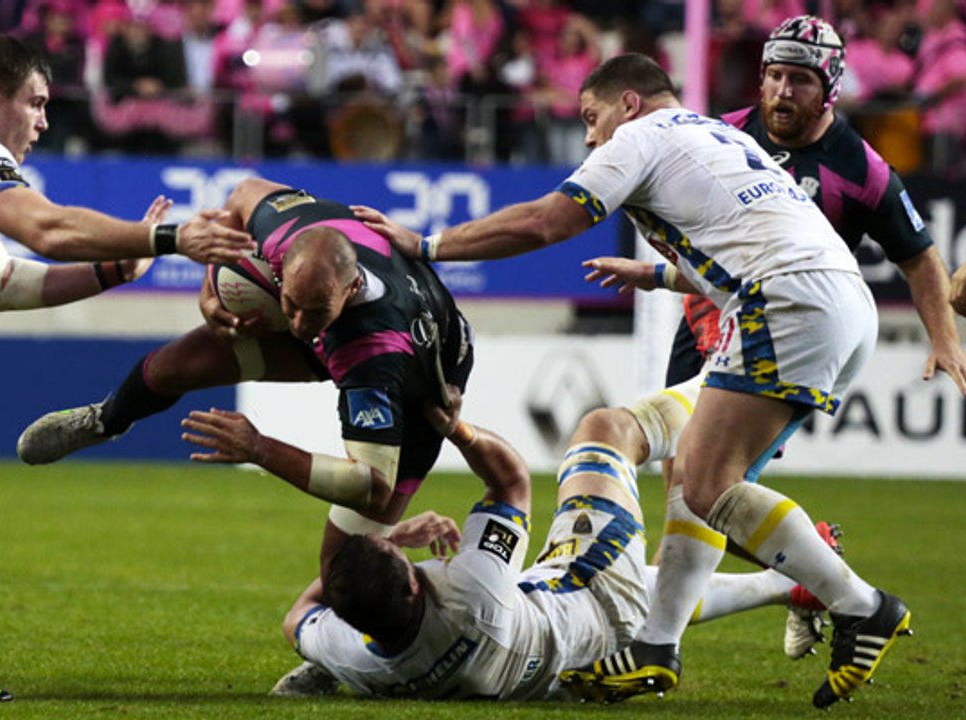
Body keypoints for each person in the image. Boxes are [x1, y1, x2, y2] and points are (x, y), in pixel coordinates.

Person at [354, 52, 911, 708]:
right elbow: (749, 238)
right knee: (696, 471)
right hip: (840, 302)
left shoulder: (641, 136)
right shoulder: (718, 134)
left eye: (591, 117)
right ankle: (656, 644)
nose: (590, 138)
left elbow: (547, 220)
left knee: (707, 484)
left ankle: (860, 604)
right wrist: (657, 275)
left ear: (629, 103)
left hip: (783, 302)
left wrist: (428, 244)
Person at [0, 34, 250, 702]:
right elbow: (47, 230)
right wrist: (170, 238)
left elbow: (1, 284)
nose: (44, 122)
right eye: (36, 103)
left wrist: (112, 270)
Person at [656, 13, 965, 667]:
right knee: (688, 494)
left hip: (782, 337)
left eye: (799, 80)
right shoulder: (722, 133)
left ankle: (663, 644)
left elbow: (919, 256)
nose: (781, 91)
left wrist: (945, 339)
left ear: (830, 89)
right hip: (702, 323)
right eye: (773, 75)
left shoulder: (860, 167)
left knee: (706, 486)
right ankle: (804, 574)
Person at [17, 176, 474, 578]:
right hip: (347, 326)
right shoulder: (283, 228)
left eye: (312, 311)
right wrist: (208, 295)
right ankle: (106, 420)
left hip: (419, 390)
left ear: (352, 287)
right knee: (172, 366)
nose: (296, 323)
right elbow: (240, 195)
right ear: (281, 263)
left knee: (344, 567)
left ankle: (363, 605)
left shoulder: (374, 353)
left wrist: (259, 449)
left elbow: (370, 486)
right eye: (289, 303)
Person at [257, 385, 829, 700]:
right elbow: (510, 481)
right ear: (410, 586)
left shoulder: (357, 658)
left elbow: (297, 618)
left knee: (634, 587)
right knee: (606, 431)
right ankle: (733, 392)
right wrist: (457, 430)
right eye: (403, 559)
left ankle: (788, 586)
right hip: (597, 593)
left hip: (574, 666)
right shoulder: (470, 591)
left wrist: (386, 551)